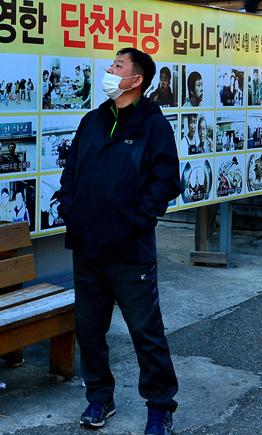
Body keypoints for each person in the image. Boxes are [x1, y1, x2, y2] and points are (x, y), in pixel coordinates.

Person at [57, 47, 181, 435]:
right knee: (89, 329)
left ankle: (160, 407)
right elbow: (71, 171)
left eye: (118, 65)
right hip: (87, 244)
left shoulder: (153, 126)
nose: (110, 69)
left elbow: (165, 182)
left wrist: (135, 221)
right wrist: (69, 208)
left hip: (130, 250)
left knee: (146, 332)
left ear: (136, 80)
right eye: (112, 64)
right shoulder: (93, 120)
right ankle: (99, 397)